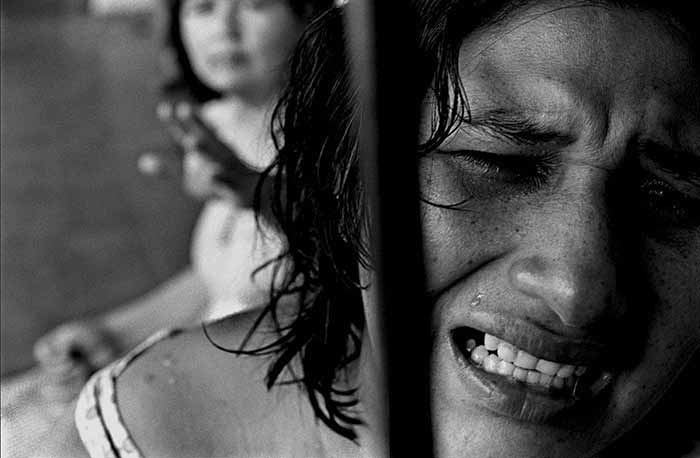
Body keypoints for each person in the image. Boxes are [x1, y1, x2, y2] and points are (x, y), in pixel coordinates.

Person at [75, 0, 700, 457]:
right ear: (344, 179)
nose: (576, 291)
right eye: (498, 163)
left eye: (670, 197)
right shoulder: (155, 432)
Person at [32, 0, 332, 391]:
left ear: (308, 15)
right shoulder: (217, 127)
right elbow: (221, 285)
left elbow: (344, 263)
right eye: (202, 8)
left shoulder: (341, 135)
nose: (224, 27)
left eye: (254, 3)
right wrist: (111, 333)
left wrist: (260, 193)